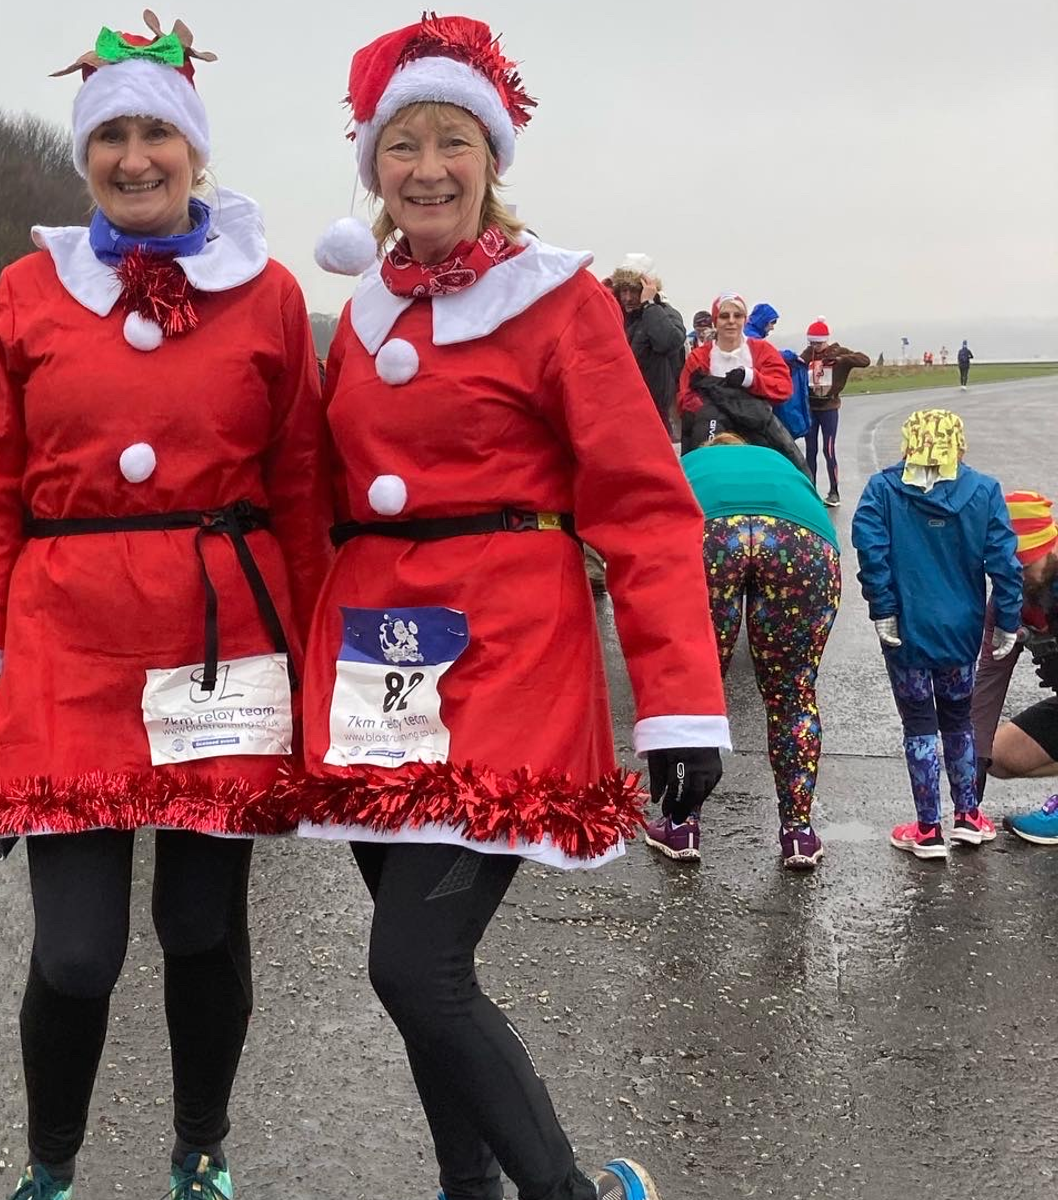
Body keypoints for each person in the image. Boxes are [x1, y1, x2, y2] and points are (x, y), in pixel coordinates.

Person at [301, 16, 728, 1199]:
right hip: (375, 674)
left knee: (416, 970)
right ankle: (468, 1186)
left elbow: (642, 507)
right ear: (371, 168)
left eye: (451, 140)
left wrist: (682, 707)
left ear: (491, 160)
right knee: (415, 975)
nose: (425, 167)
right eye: (400, 145)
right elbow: (315, 505)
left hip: (505, 665)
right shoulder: (366, 312)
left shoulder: (560, 301)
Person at [0, 15, 329, 1199]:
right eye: (112, 135)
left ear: (196, 149)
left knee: (201, 931)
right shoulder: (28, 289)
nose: (136, 155)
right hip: (67, 641)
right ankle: (51, 1169)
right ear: (84, 153)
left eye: (159, 131)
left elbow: (301, 487)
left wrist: (312, 656)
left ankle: (199, 1149)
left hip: (226, 642)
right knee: (76, 950)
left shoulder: (262, 295)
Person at [851, 410, 1022, 860]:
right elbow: (1005, 562)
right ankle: (968, 815)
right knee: (958, 719)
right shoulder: (984, 492)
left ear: (909, 444)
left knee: (919, 725)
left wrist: (883, 607)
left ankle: (928, 828)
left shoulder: (883, 491)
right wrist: (1006, 619)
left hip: (906, 629)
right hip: (961, 631)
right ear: (958, 445)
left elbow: (872, 552)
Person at [679, 433, 842, 868]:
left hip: (708, 534)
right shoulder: (776, 462)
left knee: (696, 687)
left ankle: (681, 823)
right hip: (801, 538)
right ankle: (798, 833)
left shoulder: (692, 464)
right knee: (793, 693)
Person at [970, 491, 1058, 841]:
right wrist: (970, 775)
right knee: (999, 754)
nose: (1015, 578)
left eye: (1022, 566)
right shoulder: (1012, 599)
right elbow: (990, 678)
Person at [677, 293, 802, 469]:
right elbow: (684, 397)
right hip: (714, 431)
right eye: (724, 316)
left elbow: (783, 388)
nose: (731, 321)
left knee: (793, 467)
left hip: (756, 428)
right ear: (715, 321)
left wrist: (751, 379)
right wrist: (709, 408)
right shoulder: (699, 357)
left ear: (745, 319)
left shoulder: (762, 350)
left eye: (737, 316)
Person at [606, 255, 687, 438]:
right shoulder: (617, 317)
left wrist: (649, 306)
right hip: (618, 409)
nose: (627, 298)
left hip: (654, 412)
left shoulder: (666, 314)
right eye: (623, 291)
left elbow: (670, 341)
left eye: (633, 291)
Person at [801, 317, 870, 508]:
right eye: (812, 343)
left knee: (828, 449)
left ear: (826, 340)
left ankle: (834, 491)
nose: (816, 347)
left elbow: (865, 360)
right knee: (810, 450)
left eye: (819, 343)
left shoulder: (838, 352)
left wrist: (841, 359)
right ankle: (811, 489)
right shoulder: (808, 354)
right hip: (811, 409)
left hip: (829, 409)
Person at [745, 301, 812, 446]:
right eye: (771, 323)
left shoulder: (750, 334)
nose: (772, 327)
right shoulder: (750, 337)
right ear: (762, 321)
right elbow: (770, 354)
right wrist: (791, 356)